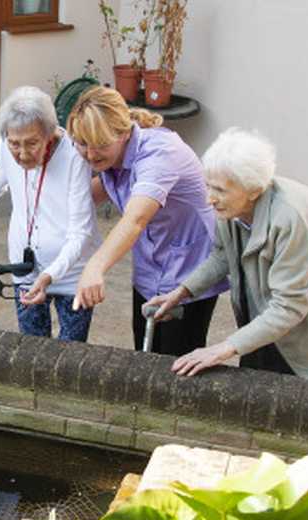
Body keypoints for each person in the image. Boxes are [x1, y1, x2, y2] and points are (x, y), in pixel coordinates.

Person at [147, 128, 308, 378]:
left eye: (220, 190)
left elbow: (289, 307)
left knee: (281, 397)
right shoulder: (230, 207)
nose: (210, 199)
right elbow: (222, 256)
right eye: (208, 186)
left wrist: (222, 349)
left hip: (302, 327)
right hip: (265, 312)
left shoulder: (290, 219)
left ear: (254, 190)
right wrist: (181, 292)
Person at [68, 86, 228, 354]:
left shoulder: (160, 153)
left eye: (100, 145)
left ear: (123, 133)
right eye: (82, 143)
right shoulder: (112, 159)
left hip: (189, 271)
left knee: (176, 361)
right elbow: (82, 201)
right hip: (149, 269)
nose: (91, 154)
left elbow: (135, 219)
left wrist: (95, 267)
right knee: (145, 355)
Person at [0, 86, 101, 341]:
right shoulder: (9, 138)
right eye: (14, 144)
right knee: (30, 344)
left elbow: (80, 232)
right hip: (25, 265)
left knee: (71, 352)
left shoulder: (75, 156)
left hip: (72, 271)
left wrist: (49, 276)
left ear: (50, 135)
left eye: (32, 143)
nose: (21, 153)